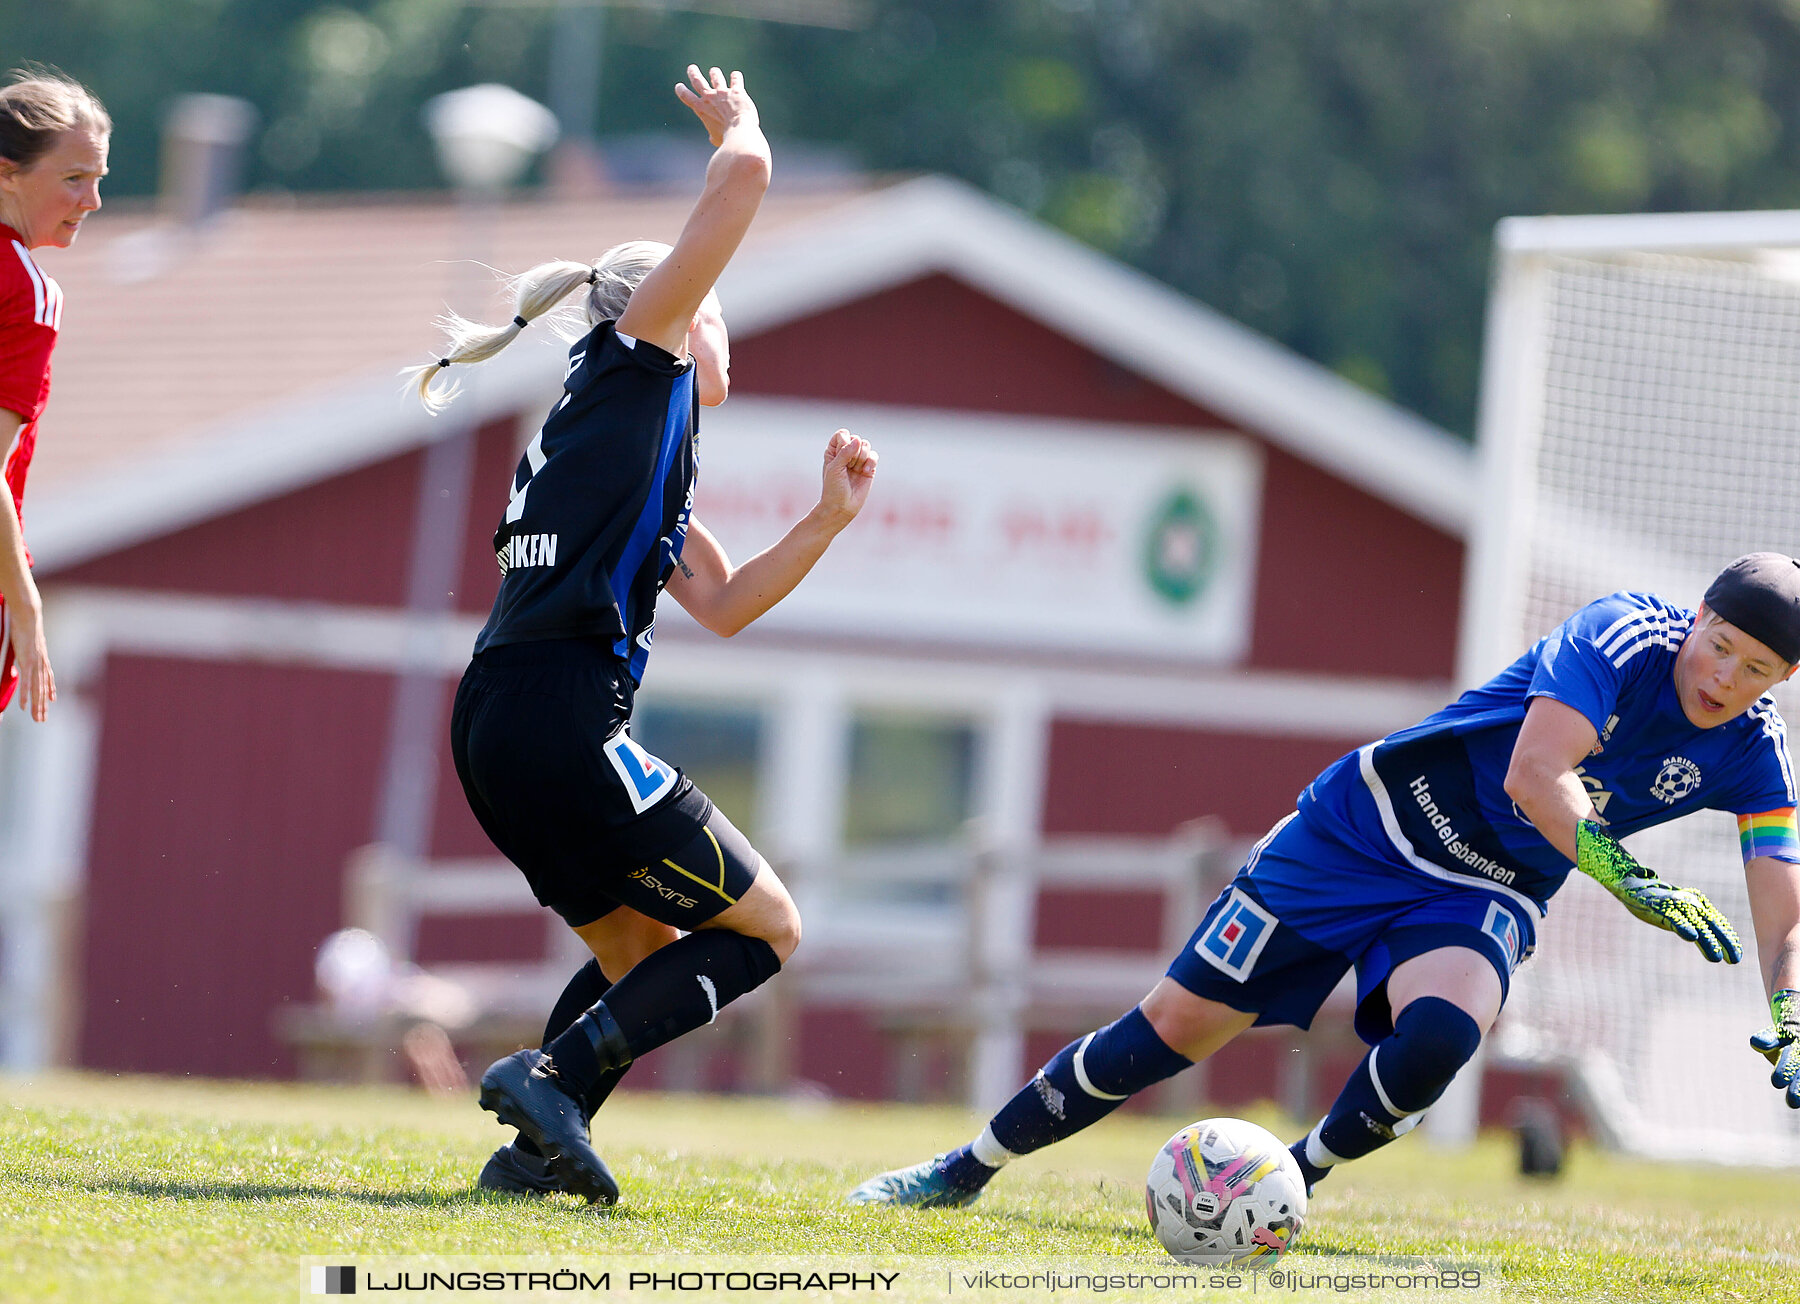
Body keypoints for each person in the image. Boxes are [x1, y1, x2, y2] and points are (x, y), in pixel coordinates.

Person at [851, 554, 1800, 1209]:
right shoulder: (1621, 634)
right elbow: (1531, 775)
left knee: (1443, 1034)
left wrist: (1790, 1011)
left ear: (1780, 681)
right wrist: (1625, 875)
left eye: (1756, 672)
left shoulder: (1759, 753)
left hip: (1484, 887)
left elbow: (1781, 906)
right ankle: (963, 1170)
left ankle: (1286, 1188)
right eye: (1720, 646)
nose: (1725, 678)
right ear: (1701, 617)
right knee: (1174, 1028)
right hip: (1365, 830)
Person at [410, 65, 876, 1207]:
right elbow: (744, 180)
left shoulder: (609, 432)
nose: (722, 323)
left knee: (639, 954)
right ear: (670, 310)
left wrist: (824, 521)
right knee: (768, 926)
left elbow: (722, 604)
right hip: (565, 719)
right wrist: (740, 126)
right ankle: (550, 1078)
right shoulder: (639, 361)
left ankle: (534, 1151)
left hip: (494, 720)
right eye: (711, 304)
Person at [0, 68, 108, 723]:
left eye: (99, 178)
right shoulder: (27, 295)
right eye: (74, 178)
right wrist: (24, 599)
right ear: (7, 171)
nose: (92, 200)